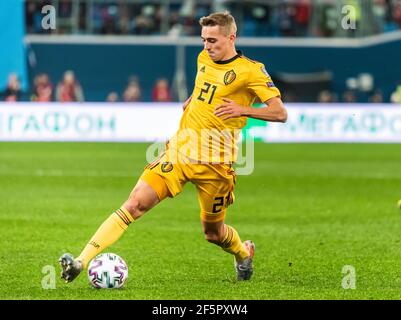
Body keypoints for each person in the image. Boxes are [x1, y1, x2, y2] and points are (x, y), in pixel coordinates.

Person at [59, 11, 287, 283]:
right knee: (134, 204)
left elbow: (280, 113)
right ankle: (80, 261)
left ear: (231, 37)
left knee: (212, 233)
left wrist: (242, 109)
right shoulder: (203, 58)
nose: (207, 46)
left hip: (216, 166)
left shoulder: (251, 71)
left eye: (213, 40)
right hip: (180, 152)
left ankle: (242, 252)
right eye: (203, 40)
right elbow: (205, 85)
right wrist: (192, 100)